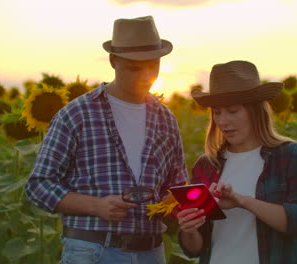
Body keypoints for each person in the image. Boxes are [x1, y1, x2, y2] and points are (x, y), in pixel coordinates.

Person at [25, 16, 188, 264]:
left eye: (153, 66)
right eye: (135, 67)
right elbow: (38, 186)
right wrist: (97, 206)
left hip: (151, 253)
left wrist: (173, 201)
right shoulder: (77, 114)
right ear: (113, 61)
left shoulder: (166, 119)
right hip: (92, 250)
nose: (146, 75)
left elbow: (177, 185)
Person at [177, 60, 297, 264]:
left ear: (255, 110)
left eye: (233, 111)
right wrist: (188, 229)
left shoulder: (288, 156)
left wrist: (242, 201)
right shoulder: (206, 166)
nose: (223, 121)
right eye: (217, 112)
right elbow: (195, 249)